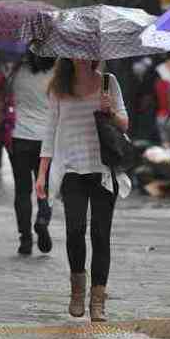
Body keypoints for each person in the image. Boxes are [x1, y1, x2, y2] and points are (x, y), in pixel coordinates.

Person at [36, 59, 130, 322]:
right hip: (71, 170)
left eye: (88, 48)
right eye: (77, 49)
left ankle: (98, 301)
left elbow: (125, 124)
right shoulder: (58, 87)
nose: (83, 54)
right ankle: (77, 290)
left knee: (101, 234)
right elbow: (50, 131)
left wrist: (110, 111)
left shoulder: (108, 82)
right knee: (75, 230)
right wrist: (42, 173)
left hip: (103, 170)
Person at [7, 52, 55, 255]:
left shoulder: (17, 72)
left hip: (19, 137)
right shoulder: (56, 75)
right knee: (45, 186)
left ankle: (25, 239)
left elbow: (6, 94)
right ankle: (43, 218)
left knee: (22, 191)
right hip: (46, 139)